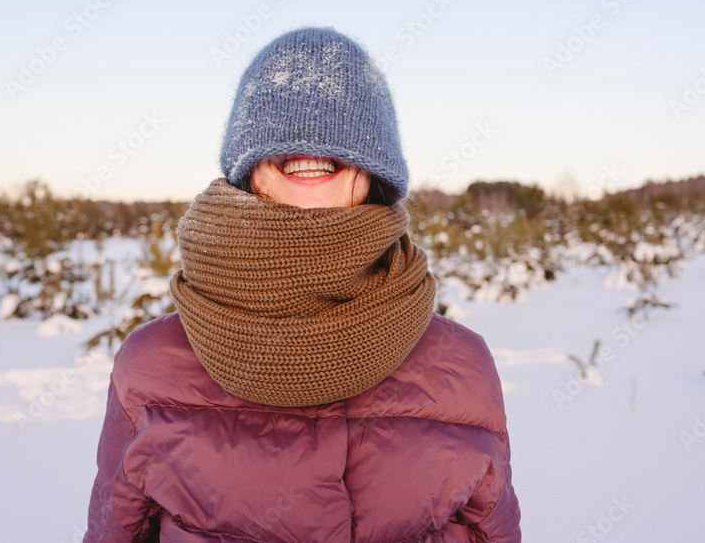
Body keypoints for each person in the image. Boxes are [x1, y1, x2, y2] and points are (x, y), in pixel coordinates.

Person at [84, 27, 521, 541]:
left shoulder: (462, 366)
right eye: (280, 133)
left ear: (377, 168)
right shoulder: (150, 367)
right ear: (247, 169)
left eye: (342, 134)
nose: (309, 145)